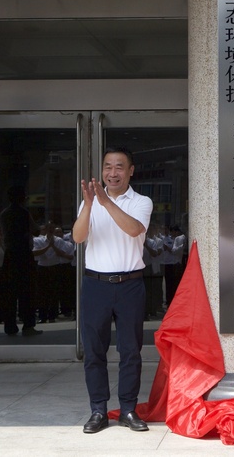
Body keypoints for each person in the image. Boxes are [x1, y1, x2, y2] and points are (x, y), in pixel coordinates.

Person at [73, 146, 153, 434]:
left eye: (119, 167)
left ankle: (128, 409)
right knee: (94, 351)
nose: (112, 172)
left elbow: (134, 230)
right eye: (108, 167)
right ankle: (98, 410)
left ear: (130, 171)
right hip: (96, 285)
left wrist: (106, 203)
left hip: (130, 284)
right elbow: (78, 237)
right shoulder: (89, 203)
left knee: (130, 350)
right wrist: (91, 204)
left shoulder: (141, 201)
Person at [0, 185, 43, 337]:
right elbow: (36, 230)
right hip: (24, 255)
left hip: (9, 254)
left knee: (9, 292)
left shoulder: (4, 214)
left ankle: (10, 326)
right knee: (27, 291)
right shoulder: (24, 213)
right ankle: (28, 325)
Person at [162, 224, 186, 308]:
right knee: (168, 283)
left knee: (175, 283)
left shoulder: (179, 239)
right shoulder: (165, 239)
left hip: (176, 263)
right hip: (168, 263)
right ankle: (168, 301)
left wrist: (170, 248)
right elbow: (170, 249)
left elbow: (173, 250)